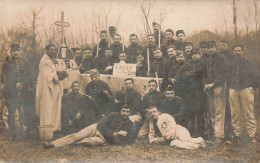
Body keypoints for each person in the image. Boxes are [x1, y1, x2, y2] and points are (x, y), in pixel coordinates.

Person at [43, 104, 135, 148]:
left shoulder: (129, 124)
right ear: (120, 111)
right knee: (77, 136)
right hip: (96, 128)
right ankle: (52, 144)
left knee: (90, 143)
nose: (125, 113)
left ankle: (70, 144)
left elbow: (130, 139)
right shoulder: (113, 115)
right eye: (123, 111)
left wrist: (120, 139)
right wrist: (114, 134)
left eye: (127, 112)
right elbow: (101, 125)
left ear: (129, 113)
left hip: (104, 139)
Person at [228, 45, 258, 144]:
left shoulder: (248, 63)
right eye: (235, 50)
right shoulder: (231, 63)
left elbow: (256, 76)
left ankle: (251, 135)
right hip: (233, 89)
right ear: (233, 52)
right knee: (235, 113)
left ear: (242, 51)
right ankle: (237, 135)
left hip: (246, 89)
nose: (237, 52)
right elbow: (228, 76)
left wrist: (254, 87)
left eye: (239, 50)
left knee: (248, 112)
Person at [36, 44, 68, 134]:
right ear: (46, 50)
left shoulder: (54, 60)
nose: (53, 51)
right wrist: (58, 74)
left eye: (54, 49)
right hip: (47, 89)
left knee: (56, 107)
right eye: (51, 49)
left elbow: (56, 71)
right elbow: (47, 75)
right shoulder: (44, 61)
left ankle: (55, 128)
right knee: (48, 107)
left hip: (55, 87)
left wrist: (62, 73)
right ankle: (47, 130)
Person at [204, 41, 227, 146]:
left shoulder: (221, 58)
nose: (211, 49)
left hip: (218, 86)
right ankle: (213, 135)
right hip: (209, 88)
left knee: (219, 111)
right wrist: (206, 84)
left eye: (213, 47)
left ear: (216, 48)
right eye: (209, 47)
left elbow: (223, 74)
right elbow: (205, 74)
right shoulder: (208, 60)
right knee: (212, 111)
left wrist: (213, 84)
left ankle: (219, 136)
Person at [1, 44, 26, 140]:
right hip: (11, 92)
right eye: (14, 51)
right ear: (11, 52)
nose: (16, 53)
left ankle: (21, 133)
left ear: (20, 51)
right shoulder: (6, 64)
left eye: (17, 51)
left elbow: (26, 75)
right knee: (11, 112)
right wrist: (14, 85)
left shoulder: (23, 62)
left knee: (21, 112)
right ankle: (12, 134)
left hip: (22, 91)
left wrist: (23, 83)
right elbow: (4, 79)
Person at [183, 49, 207, 137]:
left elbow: (199, 72)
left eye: (196, 54)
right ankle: (192, 132)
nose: (194, 56)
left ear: (199, 54)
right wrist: (188, 74)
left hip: (199, 90)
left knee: (200, 111)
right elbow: (183, 74)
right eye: (192, 54)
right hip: (190, 91)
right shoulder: (189, 64)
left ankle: (201, 132)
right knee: (191, 111)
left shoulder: (202, 63)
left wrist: (188, 74)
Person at [218, 40, 234, 140]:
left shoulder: (231, 56)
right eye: (220, 45)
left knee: (229, 108)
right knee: (220, 108)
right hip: (219, 84)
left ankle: (229, 131)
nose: (222, 47)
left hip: (228, 84)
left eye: (224, 45)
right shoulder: (217, 56)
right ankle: (220, 131)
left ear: (227, 46)